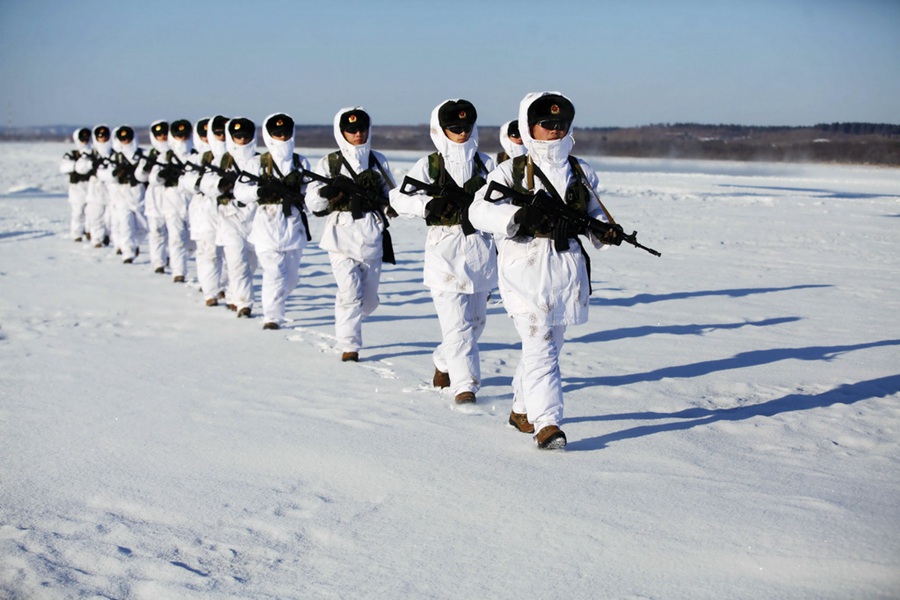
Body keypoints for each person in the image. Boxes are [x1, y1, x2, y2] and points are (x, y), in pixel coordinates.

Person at [469, 91, 623, 450]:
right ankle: (548, 423)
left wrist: (604, 231)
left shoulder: (581, 171)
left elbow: (592, 213)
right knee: (541, 346)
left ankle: (521, 409)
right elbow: (478, 211)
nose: (555, 130)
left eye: (561, 123)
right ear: (529, 126)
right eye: (546, 123)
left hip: (566, 268)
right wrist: (518, 216)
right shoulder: (511, 171)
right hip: (524, 269)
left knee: (548, 346)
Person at [389, 99, 497, 403]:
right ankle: (465, 387)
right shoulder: (430, 165)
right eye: (455, 127)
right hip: (444, 252)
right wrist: (427, 205)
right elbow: (398, 198)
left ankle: (443, 360)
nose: (462, 133)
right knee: (457, 326)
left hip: (481, 251)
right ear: (441, 130)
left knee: (476, 324)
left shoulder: (486, 164)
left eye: (466, 126)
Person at [307, 107, 396, 361]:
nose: (358, 134)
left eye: (362, 129)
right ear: (341, 132)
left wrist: (391, 206)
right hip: (340, 234)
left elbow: (392, 193)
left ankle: (351, 314)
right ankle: (350, 346)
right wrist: (324, 194)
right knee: (349, 293)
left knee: (368, 301)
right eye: (352, 130)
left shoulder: (378, 159)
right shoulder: (330, 162)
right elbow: (313, 202)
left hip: (371, 233)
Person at [234, 113, 310, 329]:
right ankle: (272, 318)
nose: (282, 137)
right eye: (277, 134)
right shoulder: (257, 163)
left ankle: (275, 301)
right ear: (269, 136)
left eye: (285, 133)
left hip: (293, 225)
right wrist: (259, 191)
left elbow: (310, 191)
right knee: (274, 274)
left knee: (291, 279)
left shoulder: (300, 162)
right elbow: (240, 191)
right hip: (266, 224)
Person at [200, 117, 259, 317]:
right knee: (236, 260)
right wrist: (220, 185)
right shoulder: (222, 161)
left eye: (246, 136)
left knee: (251, 263)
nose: (242, 140)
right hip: (229, 215)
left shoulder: (260, 160)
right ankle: (244, 303)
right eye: (237, 136)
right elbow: (205, 183)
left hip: (255, 217)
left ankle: (233, 294)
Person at [184, 117, 227, 306]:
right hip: (205, 208)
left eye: (224, 133)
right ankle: (210, 292)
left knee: (233, 254)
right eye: (217, 133)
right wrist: (209, 183)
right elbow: (185, 182)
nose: (221, 137)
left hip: (231, 209)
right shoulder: (198, 158)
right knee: (208, 253)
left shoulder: (236, 158)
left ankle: (225, 287)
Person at [155, 119, 196, 283]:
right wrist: (162, 175)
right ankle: (178, 271)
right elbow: (152, 178)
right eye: (179, 136)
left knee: (194, 241)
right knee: (176, 237)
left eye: (185, 135)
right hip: (172, 200)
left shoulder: (195, 155)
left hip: (192, 201)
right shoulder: (166, 156)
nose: (182, 139)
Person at [101, 126, 147, 263]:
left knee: (142, 225)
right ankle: (127, 252)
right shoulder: (115, 156)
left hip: (138, 192)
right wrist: (116, 173)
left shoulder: (142, 153)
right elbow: (106, 174)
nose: (126, 140)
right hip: (121, 192)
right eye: (123, 138)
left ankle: (136, 244)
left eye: (128, 138)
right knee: (125, 224)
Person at [76, 125, 113, 248]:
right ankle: (97, 240)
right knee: (95, 216)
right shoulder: (91, 153)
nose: (103, 138)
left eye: (105, 135)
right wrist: (91, 164)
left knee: (110, 218)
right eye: (100, 136)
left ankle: (107, 235)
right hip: (95, 189)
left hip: (111, 189)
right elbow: (79, 167)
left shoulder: (114, 153)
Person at [141, 120, 170, 274]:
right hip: (154, 198)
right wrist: (147, 168)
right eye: (159, 134)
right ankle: (158, 262)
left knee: (177, 234)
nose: (163, 137)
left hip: (173, 197)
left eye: (165, 133)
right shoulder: (150, 154)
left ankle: (171, 257)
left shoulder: (175, 153)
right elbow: (140, 175)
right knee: (156, 232)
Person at [59, 127, 92, 241]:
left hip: (91, 185)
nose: (85, 141)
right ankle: (77, 233)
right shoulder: (72, 154)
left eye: (86, 139)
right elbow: (63, 168)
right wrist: (76, 166)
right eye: (82, 139)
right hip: (77, 187)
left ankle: (89, 231)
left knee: (91, 211)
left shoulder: (93, 153)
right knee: (78, 212)